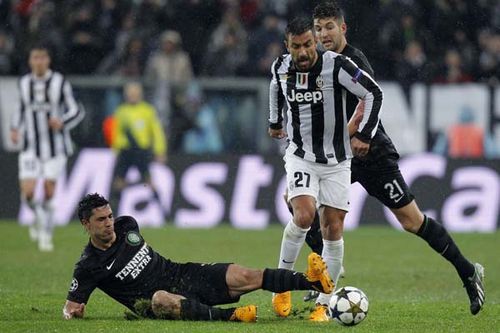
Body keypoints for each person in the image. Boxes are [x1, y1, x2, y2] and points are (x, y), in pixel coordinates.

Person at [306, 1, 484, 318]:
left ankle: (468, 271)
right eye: (319, 28)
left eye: (329, 27)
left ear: (342, 28)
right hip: (339, 157)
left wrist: (361, 135)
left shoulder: (353, 61)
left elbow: (369, 100)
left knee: (412, 221)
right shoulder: (316, 64)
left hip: (371, 153)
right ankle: (329, 270)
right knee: (300, 205)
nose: (324, 34)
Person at [268, 16, 384, 321]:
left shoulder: (338, 66)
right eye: (297, 46)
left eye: (308, 44)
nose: (304, 52)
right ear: (287, 46)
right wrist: (275, 121)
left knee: (333, 230)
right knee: (304, 215)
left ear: (314, 41)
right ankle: (281, 287)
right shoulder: (280, 67)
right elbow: (275, 88)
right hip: (301, 156)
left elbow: (373, 93)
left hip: (337, 161)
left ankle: (324, 302)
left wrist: (364, 134)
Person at [62, 193, 334, 322]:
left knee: (244, 275)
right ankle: (231, 316)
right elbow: (73, 308)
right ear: (86, 224)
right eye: (101, 219)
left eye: (109, 216)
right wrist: (71, 314)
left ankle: (311, 281)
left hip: (180, 273)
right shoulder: (89, 266)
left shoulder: (127, 226)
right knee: (161, 299)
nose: (109, 223)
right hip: (154, 301)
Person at [10, 44, 83, 251]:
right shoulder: (24, 83)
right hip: (30, 146)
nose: (39, 61)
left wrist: (62, 121)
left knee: (49, 191)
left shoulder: (59, 82)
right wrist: (14, 128)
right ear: (30, 61)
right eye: (35, 57)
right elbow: (20, 109)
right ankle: (39, 218)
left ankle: (45, 232)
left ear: (48, 60)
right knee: (29, 193)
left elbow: (77, 111)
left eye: (43, 58)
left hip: (56, 147)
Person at [111, 82, 167, 202]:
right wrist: (116, 150)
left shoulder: (147, 110)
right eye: (130, 93)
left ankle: (162, 210)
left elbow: (157, 132)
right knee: (119, 181)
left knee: (148, 179)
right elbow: (116, 132)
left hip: (141, 151)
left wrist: (160, 150)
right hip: (126, 150)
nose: (132, 95)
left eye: (135, 93)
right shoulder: (121, 111)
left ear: (140, 94)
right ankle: (114, 210)